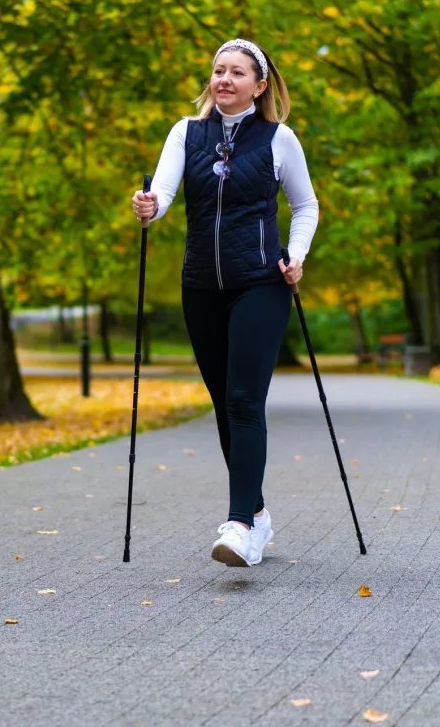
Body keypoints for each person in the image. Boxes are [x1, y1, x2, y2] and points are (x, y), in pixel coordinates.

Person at [130, 38, 319, 567]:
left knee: (243, 400)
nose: (224, 80)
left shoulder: (279, 139)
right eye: (218, 71)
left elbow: (305, 205)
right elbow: (163, 197)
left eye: (237, 72)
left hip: (260, 282)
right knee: (223, 403)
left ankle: (239, 526)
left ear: (259, 86)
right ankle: (255, 513)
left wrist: (296, 255)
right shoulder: (186, 133)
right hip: (200, 286)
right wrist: (148, 206)